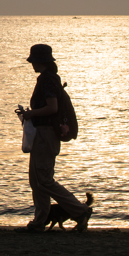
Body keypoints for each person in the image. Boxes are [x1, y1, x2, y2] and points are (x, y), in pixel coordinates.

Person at [16, 43, 92, 232]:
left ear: (41, 61)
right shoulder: (47, 79)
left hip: (46, 135)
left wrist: (31, 114)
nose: (32, 64)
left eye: (34, 61)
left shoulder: (48, 80)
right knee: (37, 181)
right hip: (42, 135)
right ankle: (39, 221)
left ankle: (80, 210)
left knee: (44, 179)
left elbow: (52, 108)